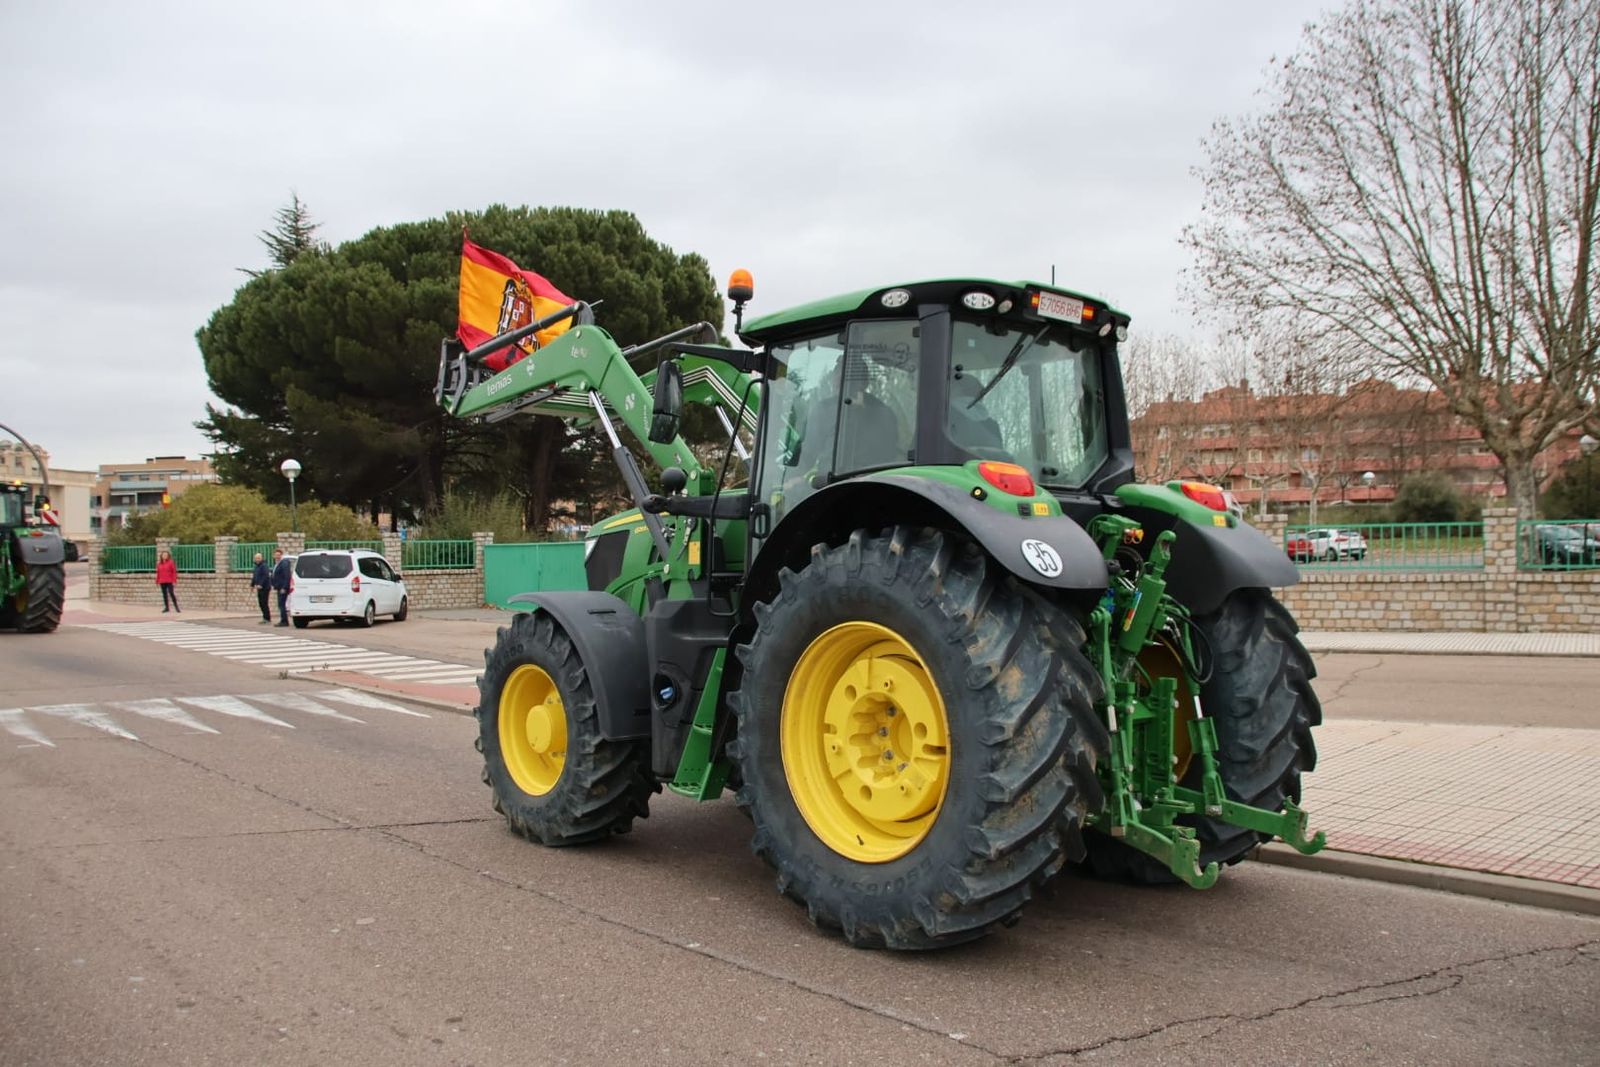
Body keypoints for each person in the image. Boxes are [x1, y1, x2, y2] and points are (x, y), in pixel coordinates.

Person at [270, 548, 293, 626]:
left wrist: (284, 587)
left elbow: (287, 576)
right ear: (273, 556)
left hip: (282, 588)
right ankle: (283, 620)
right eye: (276, 555)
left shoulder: (284, 563)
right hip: (279, 587)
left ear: (281, 555)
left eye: (279, 555)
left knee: (281, 604)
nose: (277, 556)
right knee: (281, 604)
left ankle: (284, 621)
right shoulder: (277, 563)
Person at [249, 552, 272, 624]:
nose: (257, 559)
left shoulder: (264, 566)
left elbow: (266, 576)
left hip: (265, 587)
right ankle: (265, 617)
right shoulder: (256, 566)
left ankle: (267, 618)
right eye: (256, 558)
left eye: (258, 558)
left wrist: (261, 584)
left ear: (261, 558)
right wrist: (252, 585)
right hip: (259, 588)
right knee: (261, 603)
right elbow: (255, 576)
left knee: (264, 602)